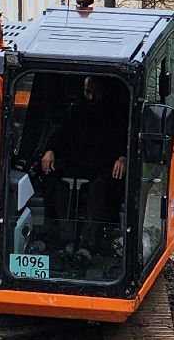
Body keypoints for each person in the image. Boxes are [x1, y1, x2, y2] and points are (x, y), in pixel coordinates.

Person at [37, 75, 128, 248]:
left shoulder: (115, 115)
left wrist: (123, 156)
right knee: (58, 187)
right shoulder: (73, 111)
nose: (92, 97)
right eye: (88, 92)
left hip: (103, 166)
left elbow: (125, 138)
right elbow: (58, 133)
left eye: (96, 92)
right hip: (75, 164)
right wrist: (50, 150)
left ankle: (88, 242)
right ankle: (65, 237)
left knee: (99, 190)